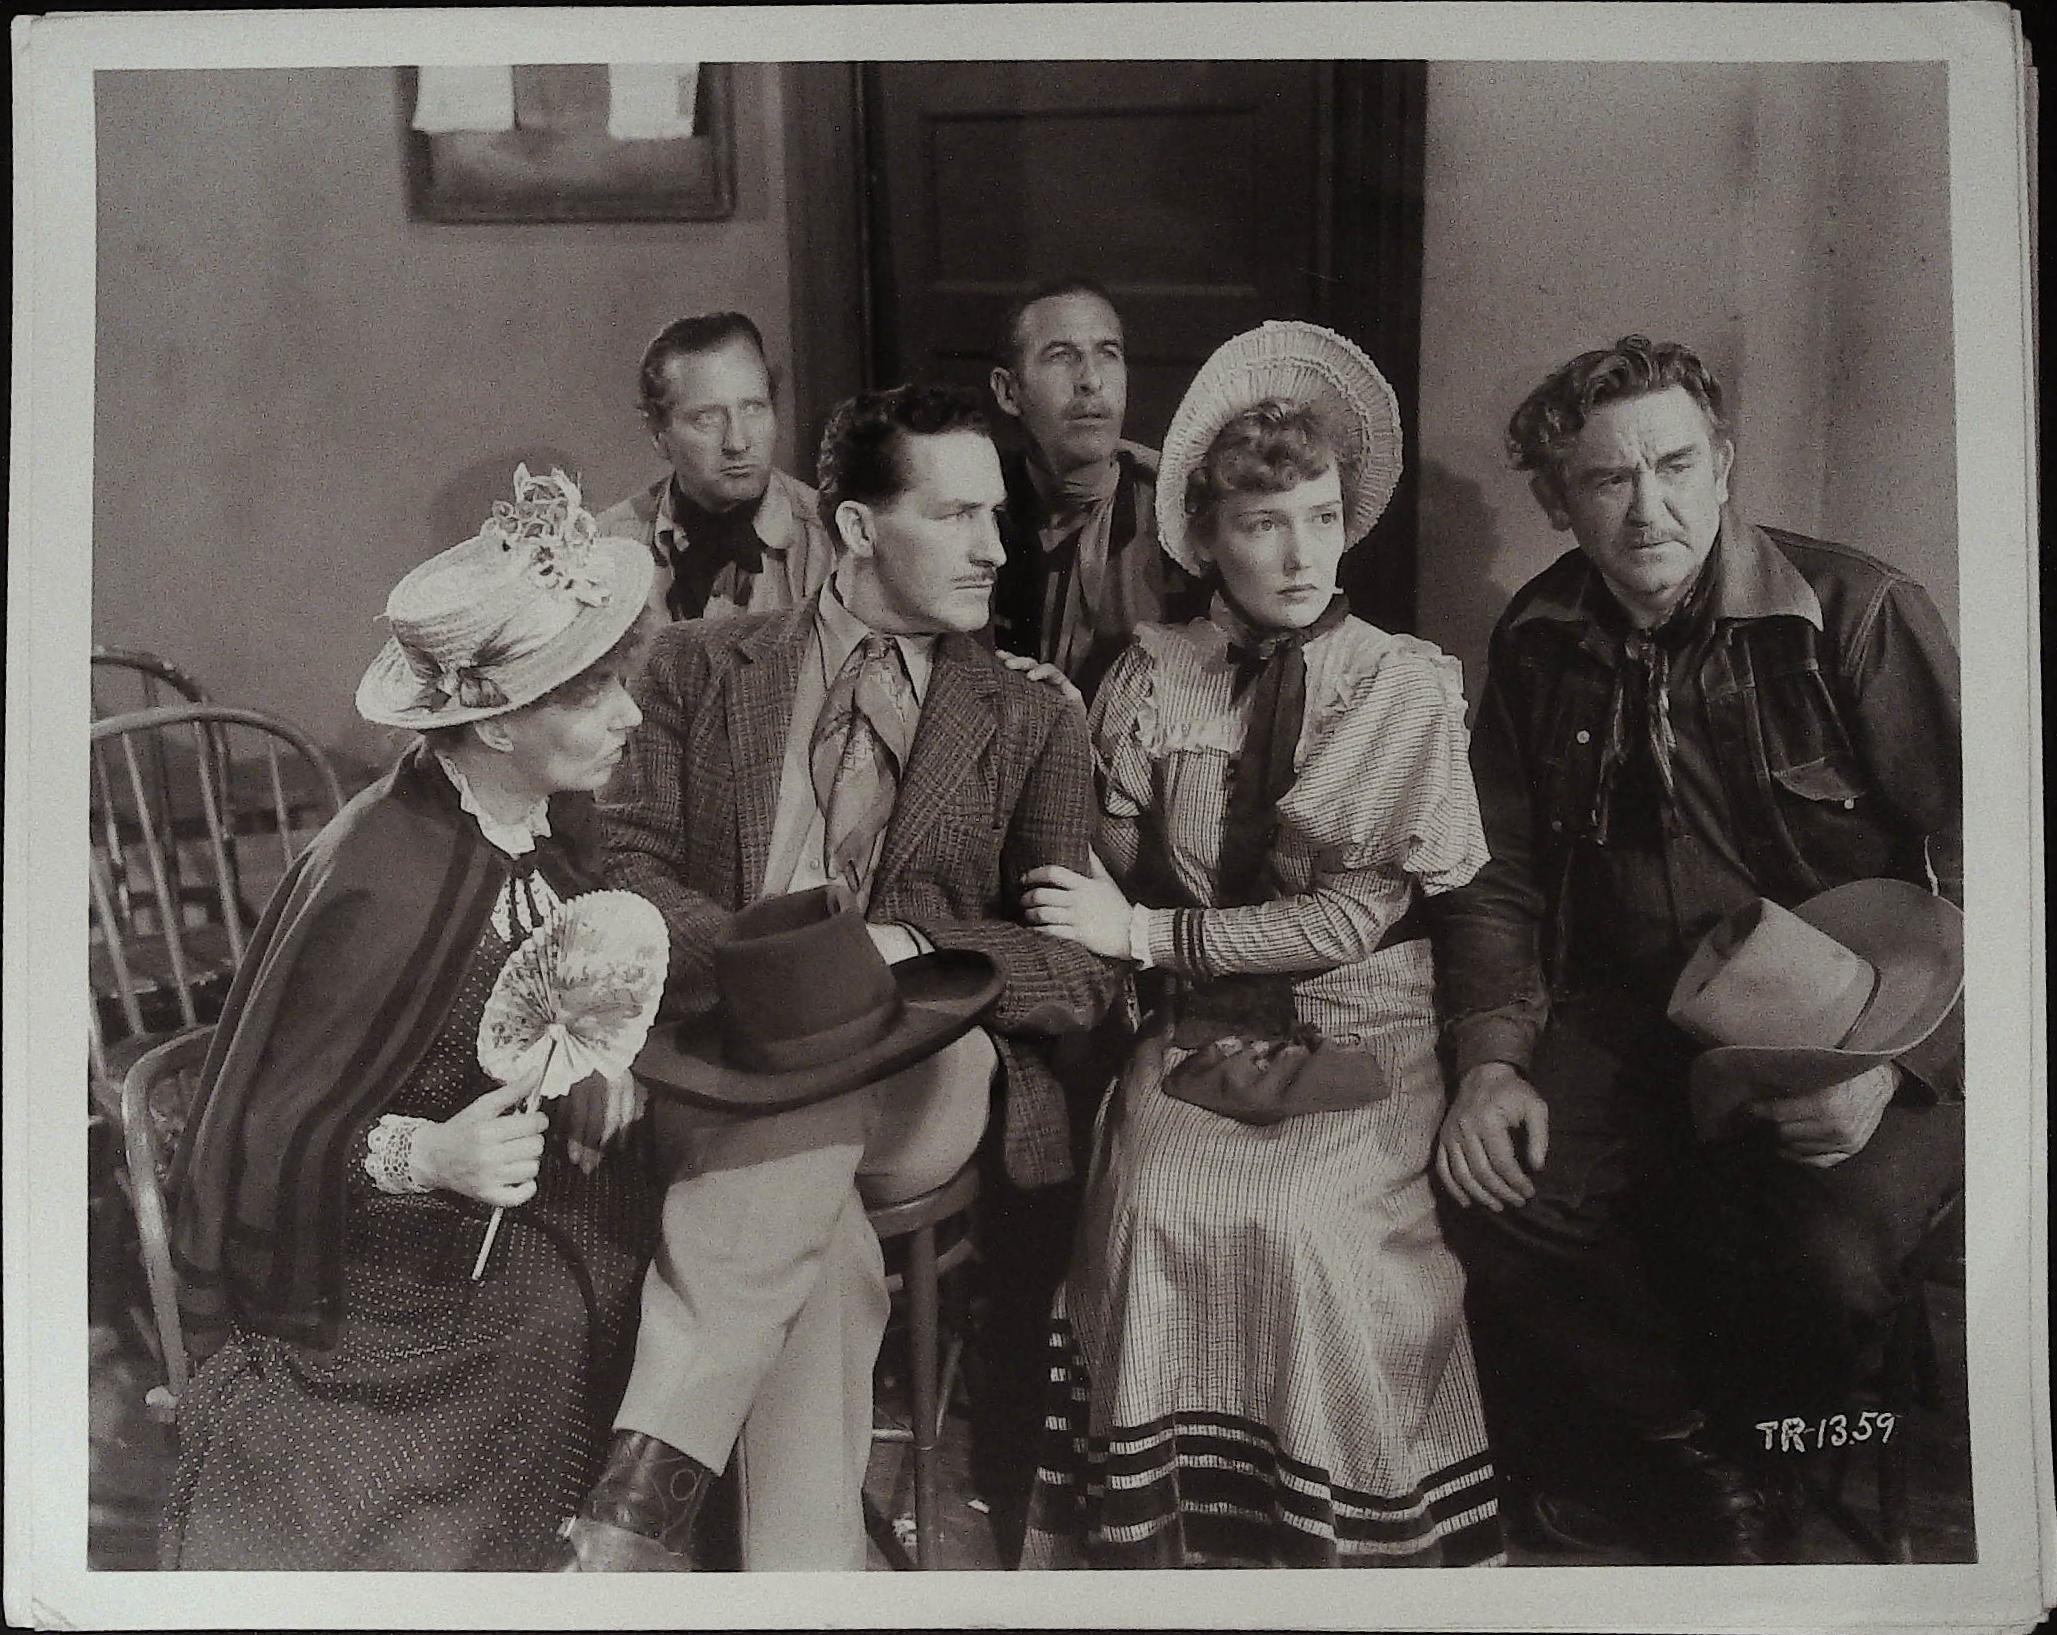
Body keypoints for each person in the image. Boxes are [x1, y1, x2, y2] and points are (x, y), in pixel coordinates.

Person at [560, 383, 1124, 1571]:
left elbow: (1078, 971)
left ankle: (631, 1511)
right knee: (817, 1254)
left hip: (924, 1071)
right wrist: (781, 974)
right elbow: (625, 868)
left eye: (995, 516)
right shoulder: (697, 666)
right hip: (724, 1055)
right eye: (956, 515)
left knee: (813, 1100)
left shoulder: (1030, 717)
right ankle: (807, 1584)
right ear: (860, 528)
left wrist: (911, 951)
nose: (994, 547)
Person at [1429, 336, 1964, 1564]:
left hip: (1860, 1024)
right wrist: (1491, 1062)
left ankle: (1762, 1454)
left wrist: (1893, 1069)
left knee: (1823, 1260)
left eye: (1672, 466)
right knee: (1492, 1191)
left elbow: (2000, 858)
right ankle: (1686, 1449)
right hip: (1629, 1014)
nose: (1646, 508)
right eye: (1605, 479)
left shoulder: (1856, 615)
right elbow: (1493, 873)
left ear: (1720, 465)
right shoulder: (1537, 635)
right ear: (1557, 500)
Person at [1015, 321, 1504, 1568]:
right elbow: (1106, 858)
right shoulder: (1154, 671)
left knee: (1301, 1222)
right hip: (1195, 1025)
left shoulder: (1395, 683)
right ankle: (1170, 1550)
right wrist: (1056, 750)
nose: (1299, 555)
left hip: (1361, 1019)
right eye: (1263, 524)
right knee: (1150, 1201)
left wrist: (1143, 932)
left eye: (1321, 518)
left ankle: (1332, 1550)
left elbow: (1345, 917)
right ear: (1207, 536)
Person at [161, 467, 661, 1570]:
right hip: (364, 1244)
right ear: (496, 725)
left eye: (616, 681)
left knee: (654, 1257)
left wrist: (595, 1066)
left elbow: (561, 972)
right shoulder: (382, 873)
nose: (627, 713)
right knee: (531, 1332)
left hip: (530, 1191)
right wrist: (427, 1154)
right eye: (588, 694)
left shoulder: (546, 823)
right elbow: (263, 1127)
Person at [989, 277, 1204, 701]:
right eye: (1061, 356)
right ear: (1009, 391)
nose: (1091, 380)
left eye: (1108, 354)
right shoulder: (975, 507)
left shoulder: (1179, 513)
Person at [597, 310, 835, 624]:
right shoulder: (605, 551)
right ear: (658, 435)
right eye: (707, 418)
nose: (737, 442)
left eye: (753, 408)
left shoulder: (835, 545)